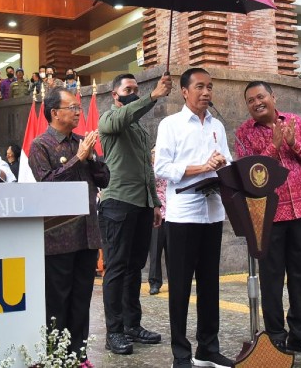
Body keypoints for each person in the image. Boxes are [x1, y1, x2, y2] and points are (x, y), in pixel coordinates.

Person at [234, 81, 301, 356]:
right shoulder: (243, 133)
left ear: (273, 97)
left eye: (260, 96)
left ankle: (300, 334)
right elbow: (249, 175)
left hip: (300, 210)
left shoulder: (294, 121)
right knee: (271, 277)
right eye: (250, 100)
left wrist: (293, 143)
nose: (256, 103)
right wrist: (273, 148)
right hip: (269, 213)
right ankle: (275, 336)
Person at [155, 68, 235, 368]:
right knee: (179, 286)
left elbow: (227, 160)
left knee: (209, 284)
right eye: (200, 87)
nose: (206, 92)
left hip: (213, 212)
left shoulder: (218, 126)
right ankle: (181, 353)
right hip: (183, 215)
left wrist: (223, 163)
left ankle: (208, 347)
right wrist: (201, 167)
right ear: (184, 91)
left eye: (210, 87)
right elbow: (162, 167)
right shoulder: (170, 125)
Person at [28, 88, 109, 359]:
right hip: (58, 238)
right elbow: (47, 184)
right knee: (57, 301)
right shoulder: (40, 145)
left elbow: (104, 180)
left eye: (79, 107)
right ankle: (56, 356)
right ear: (54, 113)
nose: (78, 112)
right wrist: (78, 159)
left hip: (87, 233)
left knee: (82, 299)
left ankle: (79, 355)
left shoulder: (82, 141)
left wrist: (93, 157)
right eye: (72, 107)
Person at [97, 73, 172, 354]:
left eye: (136, 89)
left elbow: (146, 170)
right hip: (117, 202)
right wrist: (152, 96)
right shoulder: (108, 120)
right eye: (128, 89)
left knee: (133, 268)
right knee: (116, 268)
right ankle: (113, 331)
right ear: (115, 96)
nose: (133, 93)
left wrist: (154, 203)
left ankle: (132, 324)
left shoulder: (139, 130)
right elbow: (122, 118)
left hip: (141, 205)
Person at [148, 147, 168, 296]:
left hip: (173, 212)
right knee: (155, 249)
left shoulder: (169, 166)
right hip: (157, 212)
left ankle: (175, 279)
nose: (156, 155)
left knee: (173, 250)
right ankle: (155, 282)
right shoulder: (150, 169)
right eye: (154, 153)